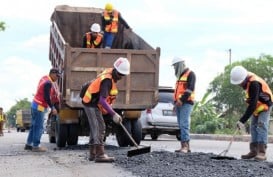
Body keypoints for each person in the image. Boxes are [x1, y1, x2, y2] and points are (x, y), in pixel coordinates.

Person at [81, 57, 130, 162]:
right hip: (91, 103)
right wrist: (113, 114)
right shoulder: (107, 80)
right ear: (116, 70)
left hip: (94, 104)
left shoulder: (110, 74)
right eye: (120, 74)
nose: (121, 77)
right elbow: (102, 100)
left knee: (96, 127)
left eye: (123, 75)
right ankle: (100, 154)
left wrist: (111, 111)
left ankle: (92, 154)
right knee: (99, 127)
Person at [230, 65, 273, 161]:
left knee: (261, 125)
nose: (239, 85)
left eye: (239, 83)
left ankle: (261, 152)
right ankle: (253, 151)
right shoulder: (246, 81)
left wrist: (242, 121)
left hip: (265, 104)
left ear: (243, 78)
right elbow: (253, 102)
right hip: (257, 106)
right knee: (253, 126)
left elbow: (252, 105)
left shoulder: (254, 83)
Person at [24, 68, 61, 152]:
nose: (57, 78)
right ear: (52, 74)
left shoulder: (44, 78)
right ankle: (36, 146)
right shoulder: (48, 83)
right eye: (57, 76)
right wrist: (52, 108)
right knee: (39, 126)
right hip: (39, 106)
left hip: (34, 104)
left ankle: (28, 144)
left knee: (34, 126)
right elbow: (46, 97)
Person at [172, 57, 196, 153]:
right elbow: (178, 92)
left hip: (186, 103)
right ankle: (185, 146)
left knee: (184, 124)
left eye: (175, 66)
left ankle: (185, 146)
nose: (174, 68)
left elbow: (190, 89)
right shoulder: (180, 77)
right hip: (179, 103)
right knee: (181, 124)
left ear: (180, 65)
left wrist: (181, 100)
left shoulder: (190, 74)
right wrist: (176, 104)